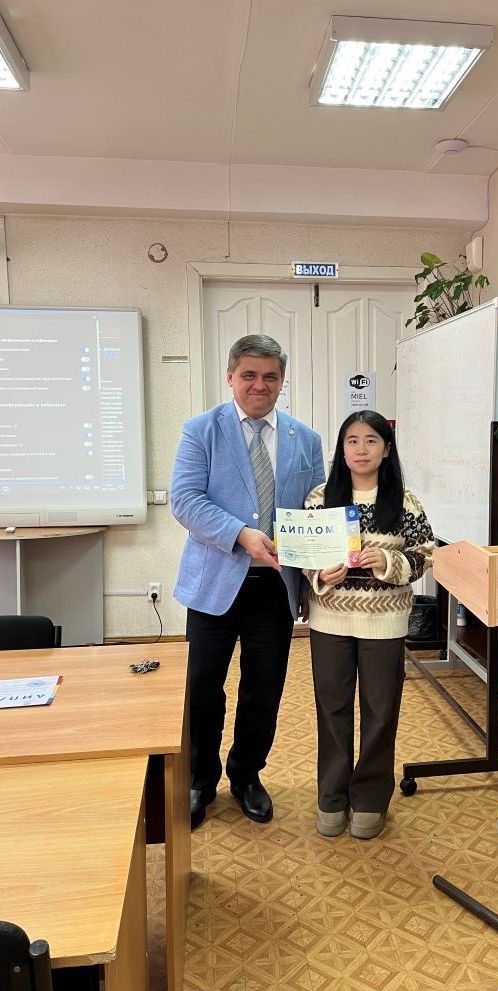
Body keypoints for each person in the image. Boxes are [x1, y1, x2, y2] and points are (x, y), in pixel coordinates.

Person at [171, 334, 324, 830]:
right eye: (250, 375)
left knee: (264, 688)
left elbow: (316, 512)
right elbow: (185, 500)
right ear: (231, 377)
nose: (260, 385)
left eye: (271, 376)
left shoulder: (306, 439)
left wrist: (312, 579)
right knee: (203, 687)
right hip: (214, 584)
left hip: (275, 589)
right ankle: (200, 779)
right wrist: (240, 534)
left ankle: (246, 775)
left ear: (282, 381)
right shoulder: (201, 430)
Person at [303, 410, 435, 840]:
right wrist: (321, 573)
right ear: (341, 450)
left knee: (380, 711)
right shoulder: (320, 499)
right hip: (330, 620)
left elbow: (425, 555)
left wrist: (390, 562)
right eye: (353, 441)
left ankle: (371, 799)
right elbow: (304, 556)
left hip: (384, 622)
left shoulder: (405, 502)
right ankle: (331, 797)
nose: (362, 449)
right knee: (332, 708)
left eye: (371, 440)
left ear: (387, 450)